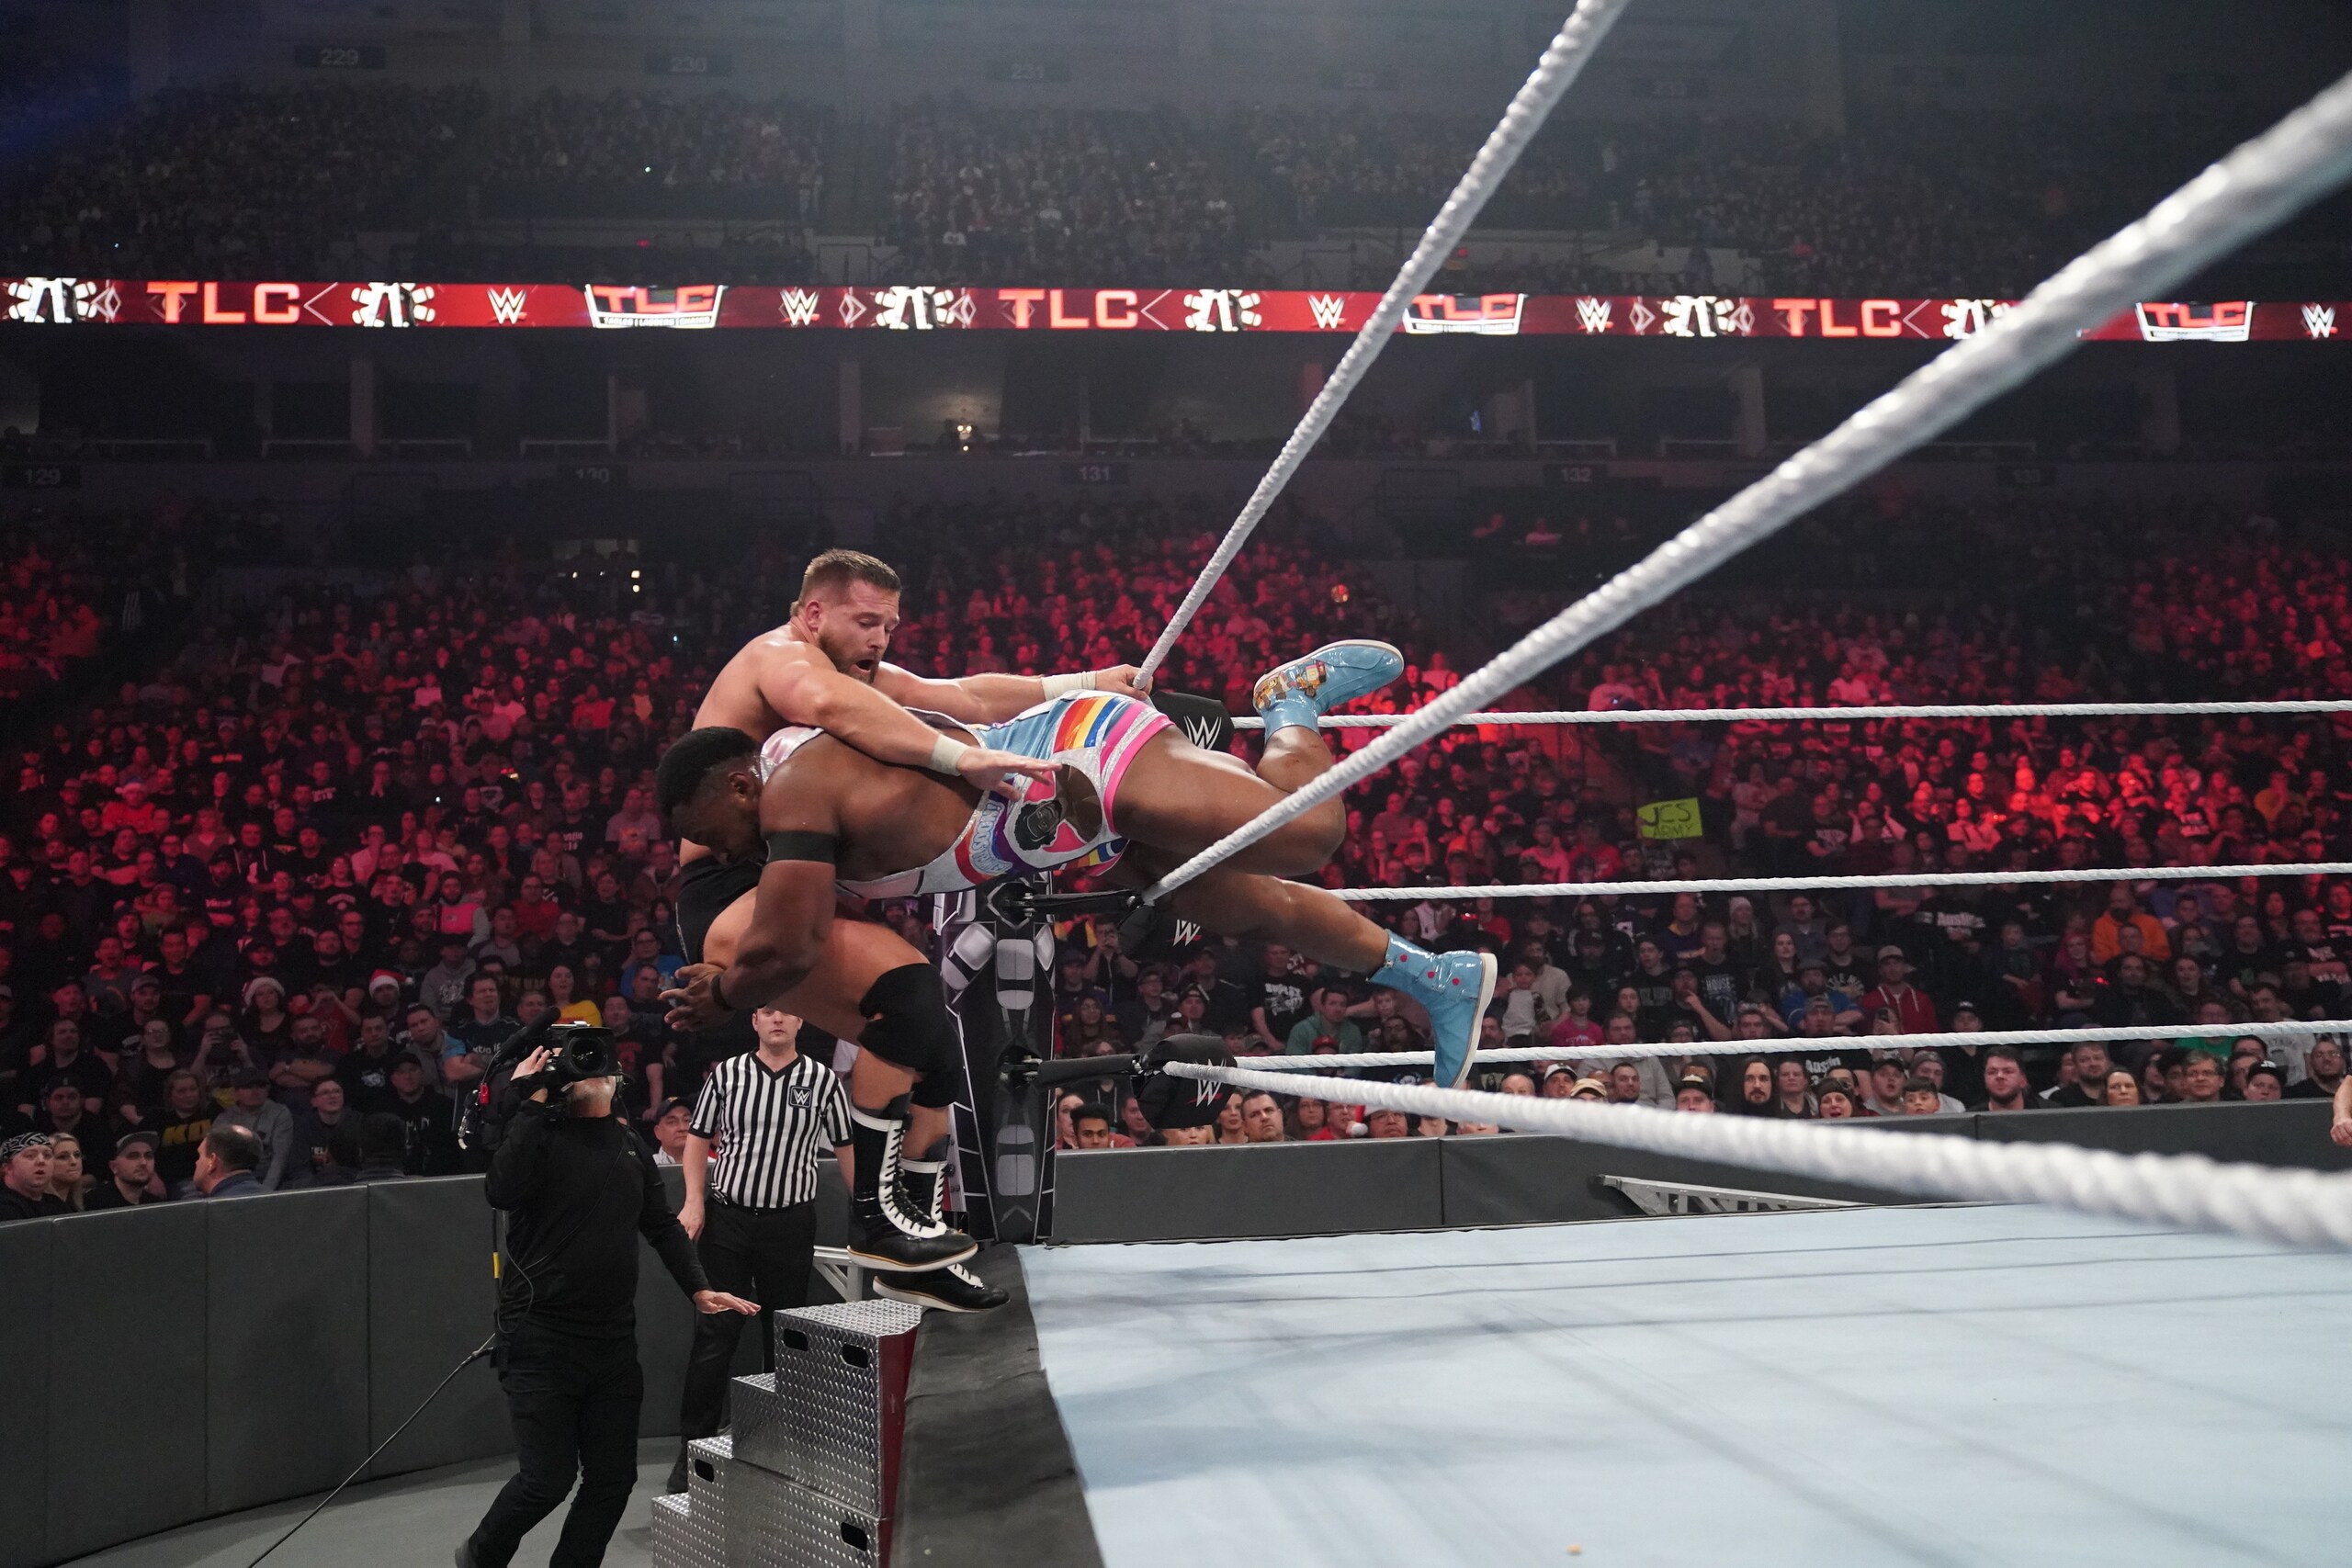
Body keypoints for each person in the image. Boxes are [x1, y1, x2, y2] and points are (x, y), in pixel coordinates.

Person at [659, 641, 1497, 1257]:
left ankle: (1289, 701)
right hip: (1052, 826)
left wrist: (722, 993)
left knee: (1306, 832)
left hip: (1077, 758)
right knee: (1248, 903)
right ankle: (1437, 975)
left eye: (712, 833)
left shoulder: (795, 782)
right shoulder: (791, 813)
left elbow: (793, 941)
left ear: (740, 784)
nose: (720, 853)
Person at [666, 549, 1152, 1266]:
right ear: (813, 614)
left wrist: (1085, 683)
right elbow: (830, 704)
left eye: (890, 626)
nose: (880, 639)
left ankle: (917, 1231)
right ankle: (875, 1219)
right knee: (904, 996)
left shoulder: (853, 673)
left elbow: (962, 697)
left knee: (934, 1052)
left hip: (791, 878)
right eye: (866, 621)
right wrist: (958, 758)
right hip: (727, 889)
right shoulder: (780, 658)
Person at [458, 1032, 756, 1568]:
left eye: (596, 1058)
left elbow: (661, 1224)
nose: (589, 1067)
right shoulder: (539, 1135)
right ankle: (481, 1556)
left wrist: (698, 1286)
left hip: (612, 1339)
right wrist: (532, 1098)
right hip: (540, 1336)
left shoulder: (628, 1143)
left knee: (613, 1478)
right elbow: (499, 1190)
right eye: (574, 1060)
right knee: (546, 1480)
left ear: (618, 1076)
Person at [670, 1006, 860, 1493]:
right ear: (754, 1021)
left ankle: (782, 1447)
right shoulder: (728, 1074)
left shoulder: (821, 1080)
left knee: (785, 1336)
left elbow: (847, 1148)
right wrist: (694, 1201)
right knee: (715, 1335)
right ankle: (690, 1452)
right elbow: (697, 1140)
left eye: (787, 1012)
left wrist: (867, 1215)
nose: (778, 1019)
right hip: (729, 1219)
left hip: (788, 1223)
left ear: (801, 1022)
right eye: (768, 1011)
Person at [85, 1130, 163, 1209]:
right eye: (133, 1156)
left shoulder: (155, 1205)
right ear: (114, 1167)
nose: (143, 1162)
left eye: (149, 1156)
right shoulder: (95, 1203)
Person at [192, 1123, 268, 1198]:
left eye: (199, 1156)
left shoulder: (215, 1205)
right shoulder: (272, 1198)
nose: (196, 1162)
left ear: (212, 1161)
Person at [0, 1132, 62, 1221]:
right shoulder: (4, 1207)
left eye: (47, 1155)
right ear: (7, 1168)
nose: (41, 1161)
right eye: (30, 1155)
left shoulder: (57, 1204)